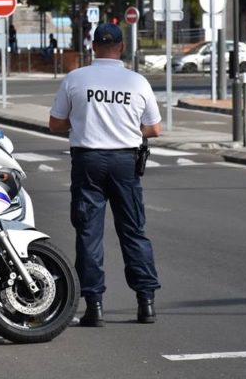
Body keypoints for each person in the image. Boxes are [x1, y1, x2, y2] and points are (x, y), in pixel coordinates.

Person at [49, 22, 162, 327]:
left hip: (88, 160)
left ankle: (94, 305)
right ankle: (146, 302)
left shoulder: (75, 79)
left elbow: (55, 125)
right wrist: (126, 127)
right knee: (134, 231)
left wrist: (85, 122)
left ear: (93, 46)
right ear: (121, 47)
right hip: (125, 161)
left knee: (89, 234)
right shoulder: (137, 82)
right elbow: (154, 128)